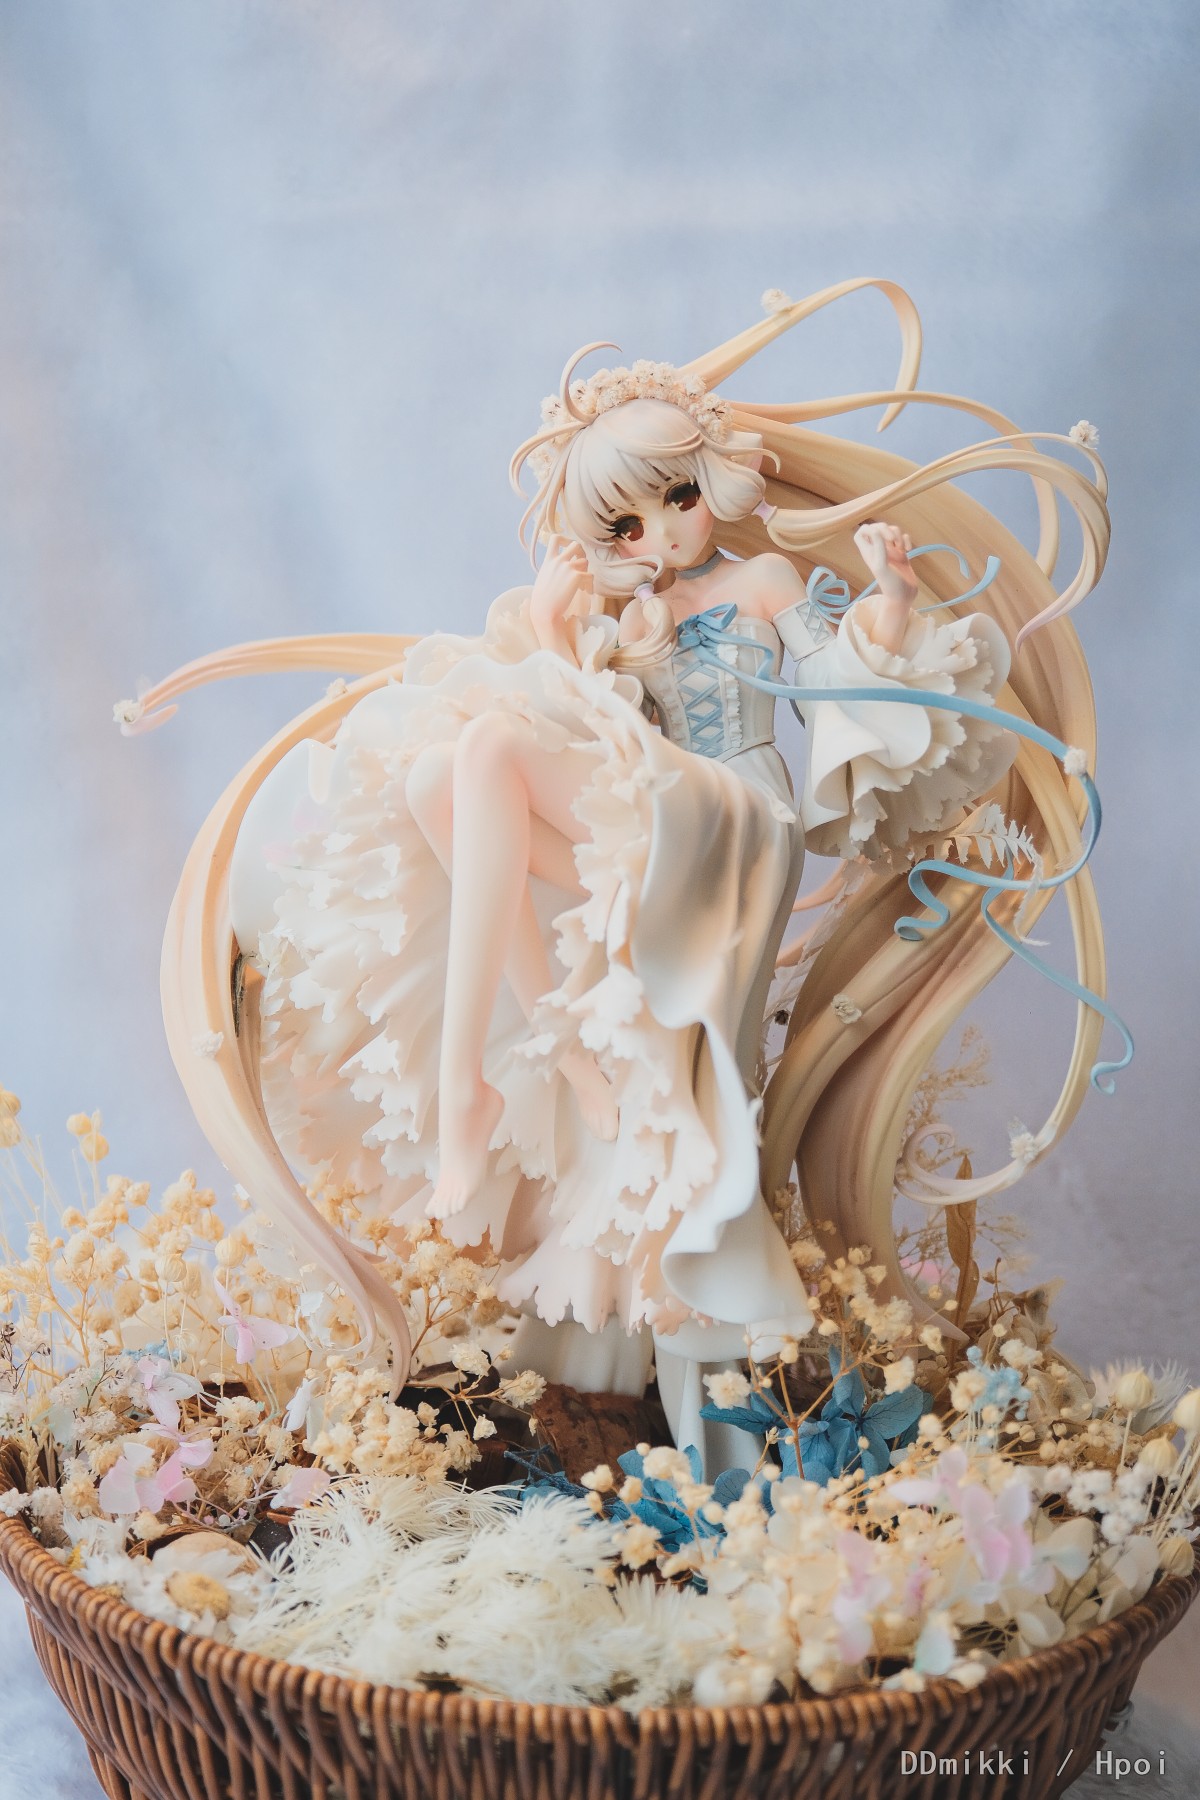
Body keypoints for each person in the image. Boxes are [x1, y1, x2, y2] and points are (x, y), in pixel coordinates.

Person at [119, 281, 1117, 1465]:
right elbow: (582, 737)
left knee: (487, 757)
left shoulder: (763, 585)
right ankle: (547, 1055)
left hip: (734, 818)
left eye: (677, 500)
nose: (658, 538)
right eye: (625, 527)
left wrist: (893, 603)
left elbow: (842, 682)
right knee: (448, 775)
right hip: (651, 824)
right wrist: (556, 637)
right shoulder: (628, 621)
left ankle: (483, 1087)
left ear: (715, 484)